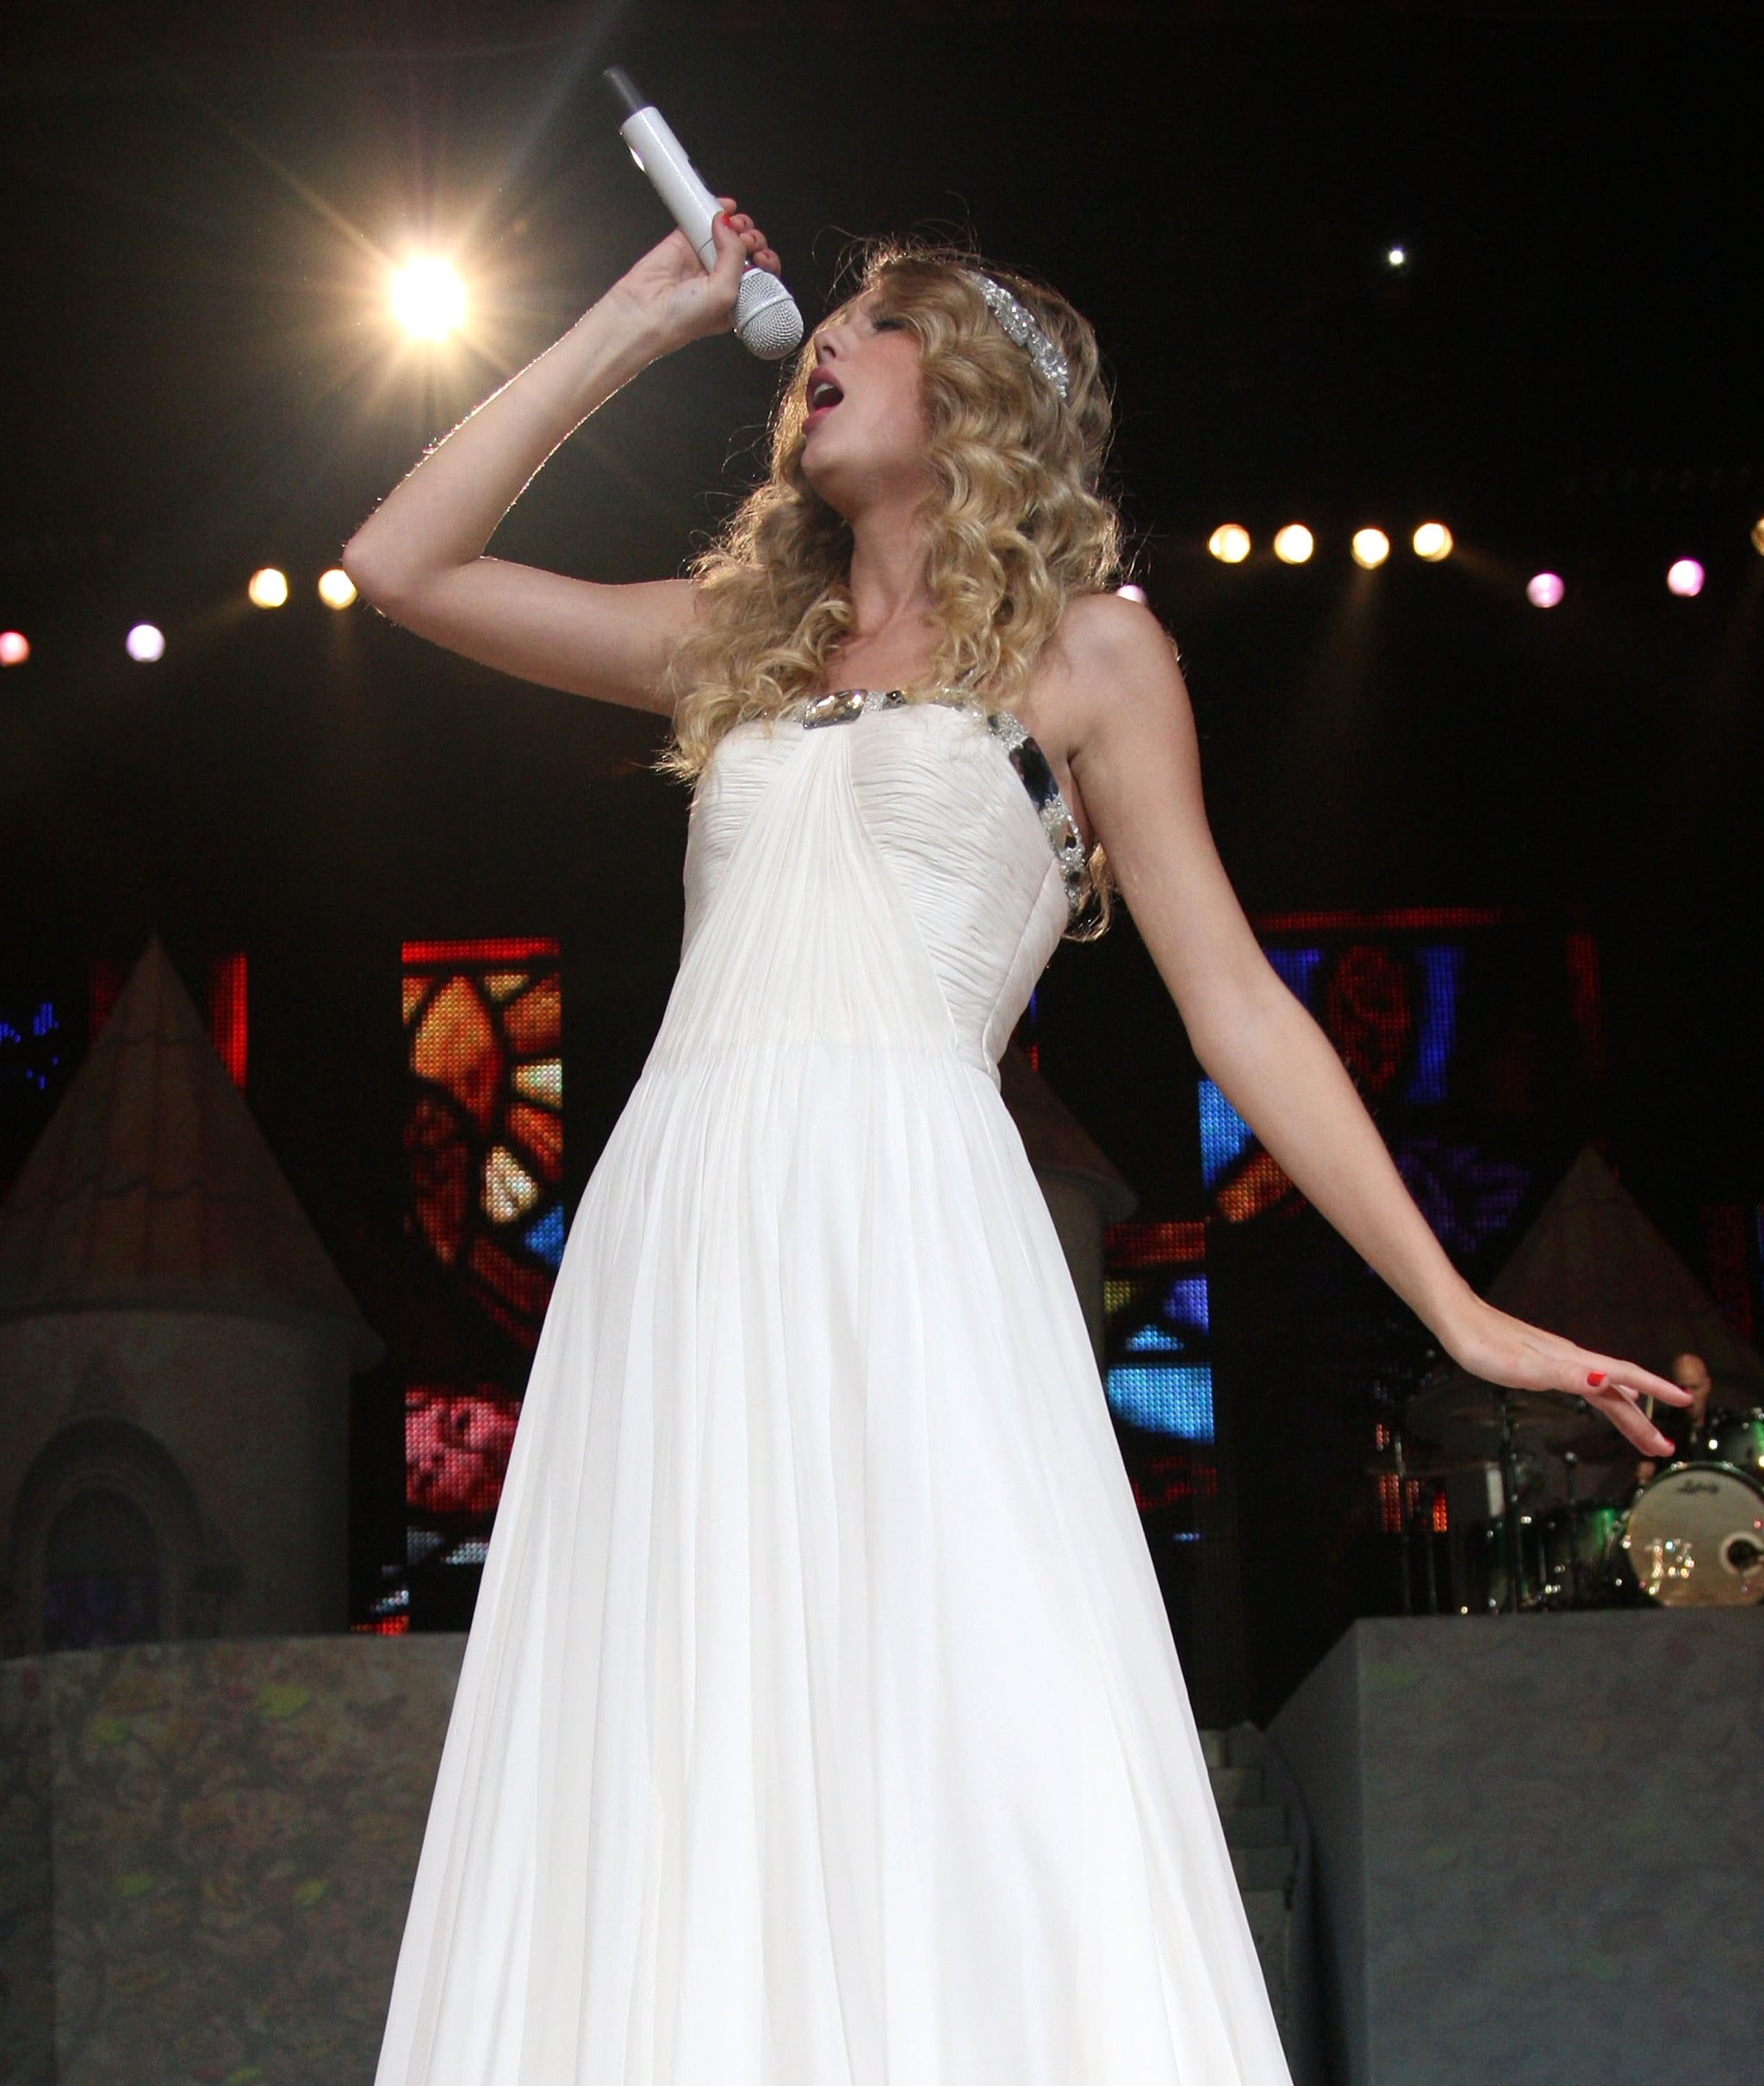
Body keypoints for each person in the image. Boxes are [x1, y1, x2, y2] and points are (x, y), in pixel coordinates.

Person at [345, 204, 1689, 2086]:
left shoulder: (1092, 656)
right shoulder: (740, 645)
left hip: (910, 1226)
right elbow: (398, 564)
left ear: (969, 390)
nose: (819, 342)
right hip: (682, 1231)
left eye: (869, 325)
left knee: (954, 1731)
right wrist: (631, 324)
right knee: (683, 1738)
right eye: (815, 325)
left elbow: (1234, 1003)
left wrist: (1459, 1310)